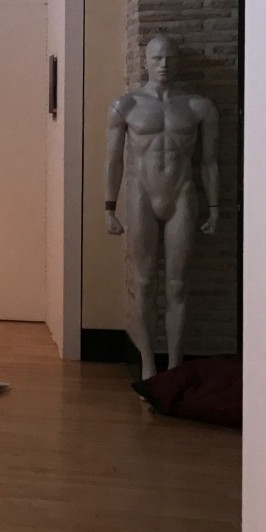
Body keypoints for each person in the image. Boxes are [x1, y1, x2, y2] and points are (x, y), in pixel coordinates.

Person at [105, 34, 219, 379]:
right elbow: (113, 161)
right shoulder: (126, 106)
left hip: (182, 195)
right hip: (141, 195)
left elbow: (209, 162)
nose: (164, 65)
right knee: (143, 281)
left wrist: (214, 207)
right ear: (146, 62)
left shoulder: (199, 106)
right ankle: (148, 364)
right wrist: (109, 207)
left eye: (169, 58)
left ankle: (174, 364)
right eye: (157, 58)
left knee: (177, 284)